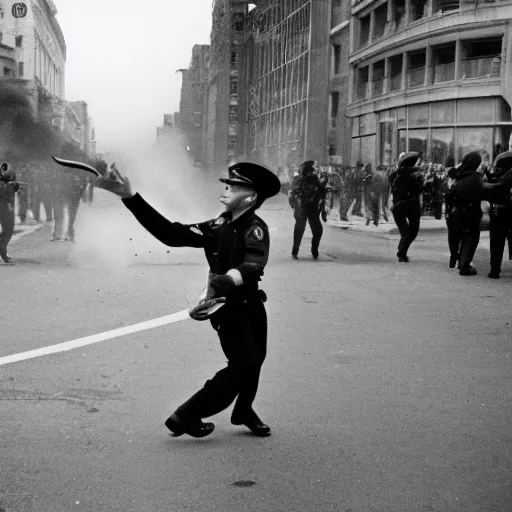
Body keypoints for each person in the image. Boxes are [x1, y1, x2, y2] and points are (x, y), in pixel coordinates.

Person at [96, 161, 281, 438]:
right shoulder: (217, 226)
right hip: (227, 307)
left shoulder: (254, 228)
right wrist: (129, 197)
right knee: (243, 365)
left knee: (256, 359)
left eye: (235, 185)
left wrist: (231, 277)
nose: (227, 187)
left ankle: (243, 409)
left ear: (251, 196)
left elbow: (254, 263)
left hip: (252, 303)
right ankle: (187, 414)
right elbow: (171, 234)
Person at [388, 151, 424, 262]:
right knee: (413, 230)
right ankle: (402, 250)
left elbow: (390, 189)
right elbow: (420, 190)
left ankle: (402, 249)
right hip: (412, 204)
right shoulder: (416, 174)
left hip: (398, 205)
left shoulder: (393, 174)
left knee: (404, 231)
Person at [289, 160, 328, 260]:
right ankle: (314, 250)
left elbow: (292, 192)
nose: (316, 168)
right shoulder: (314, 178)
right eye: (314, 167)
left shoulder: (298, 178)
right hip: (311, 208)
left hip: (302, 208)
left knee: (299, 229)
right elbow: (321, 193)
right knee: (317, 230)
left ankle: (295, 250)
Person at [485, 151, 512, 279]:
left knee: (496, 242)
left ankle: (494, 269)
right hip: (504, 212)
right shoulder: (504, 175)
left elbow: (497, 188)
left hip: (499, 212)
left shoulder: (506, 176)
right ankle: (494, 269)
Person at [0, 162, 20, 264]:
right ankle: (2, 250)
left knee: (8, 230)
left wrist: (14, 185)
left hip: (6, 207)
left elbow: (14, 188)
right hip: (5, 208)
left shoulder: (9, 177)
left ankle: (3, 250)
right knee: (8, 230)